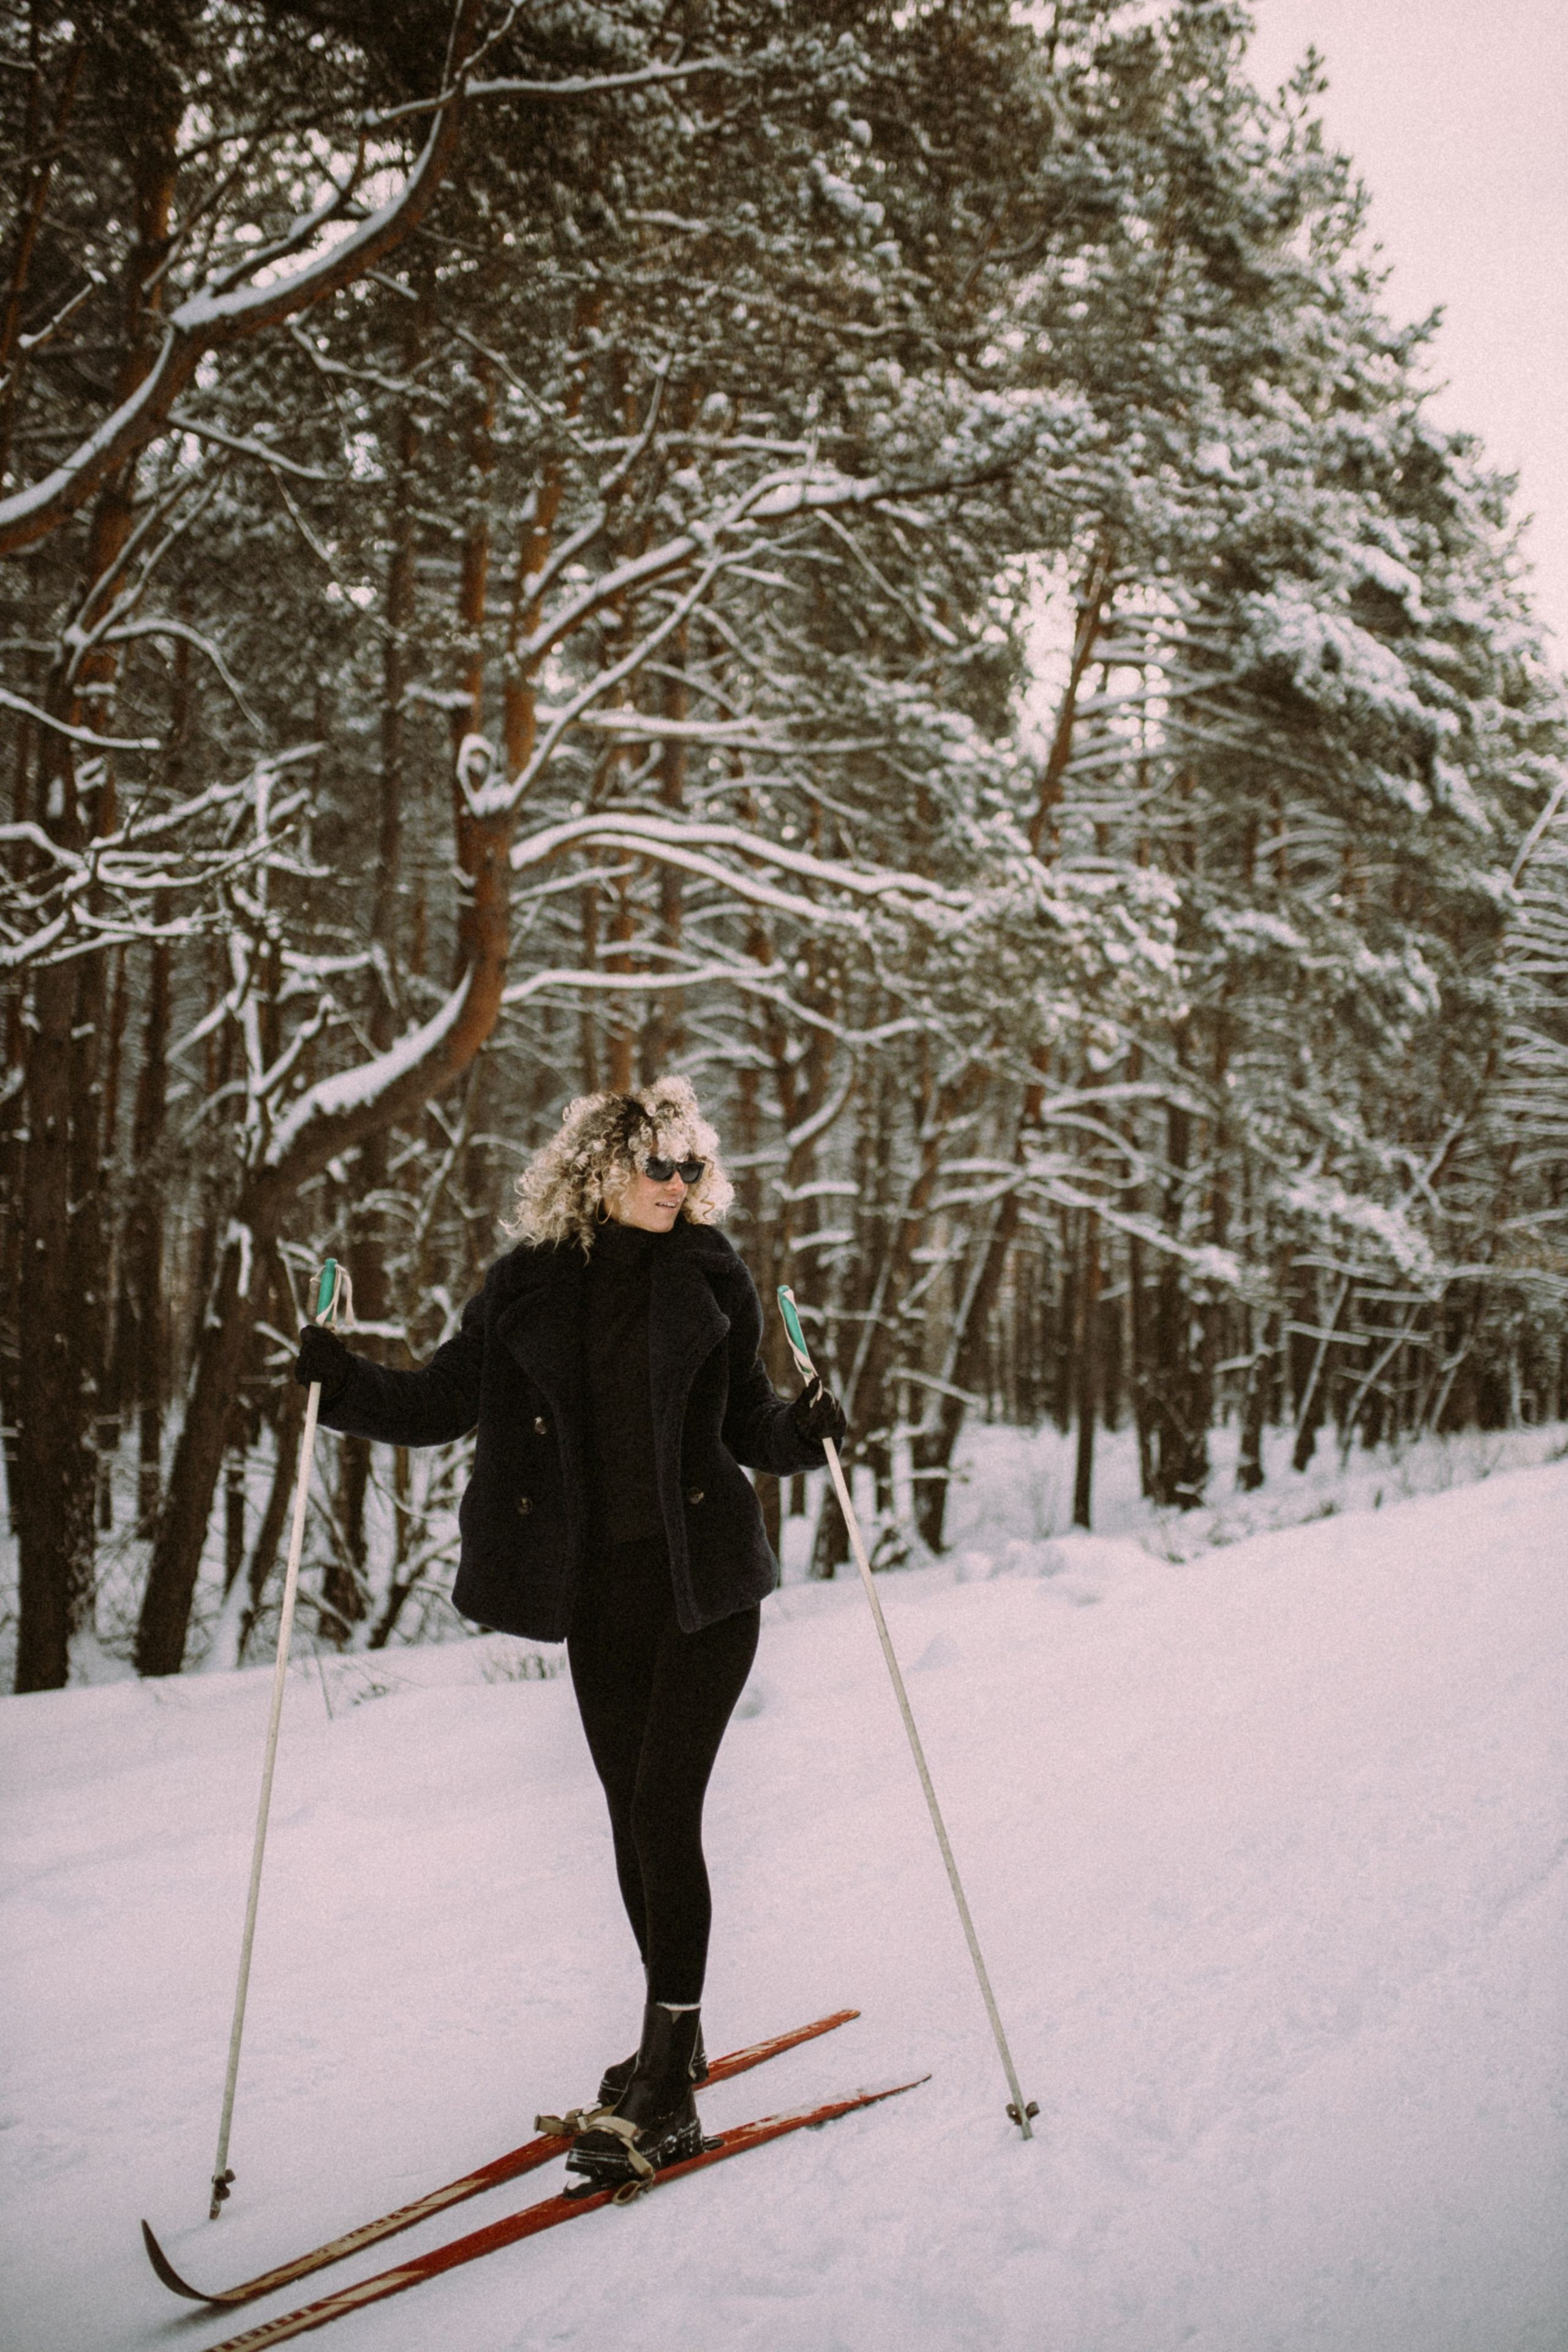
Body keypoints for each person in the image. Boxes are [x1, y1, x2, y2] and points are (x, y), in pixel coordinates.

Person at [293, 1076, 845, 2193]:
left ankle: (668, 2084)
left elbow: (748, 1420)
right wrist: (339, 1384)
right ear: (600, 1170)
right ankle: (674, 2033)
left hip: (703, 1590)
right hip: (600, 1598)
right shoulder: (528, 1284)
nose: (680, 1184)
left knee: (663, 1810)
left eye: (693, 1166)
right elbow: (442, 1402)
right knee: (629, 1821)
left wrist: (804, 1428)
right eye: (660, 1165)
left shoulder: (711, 1273)